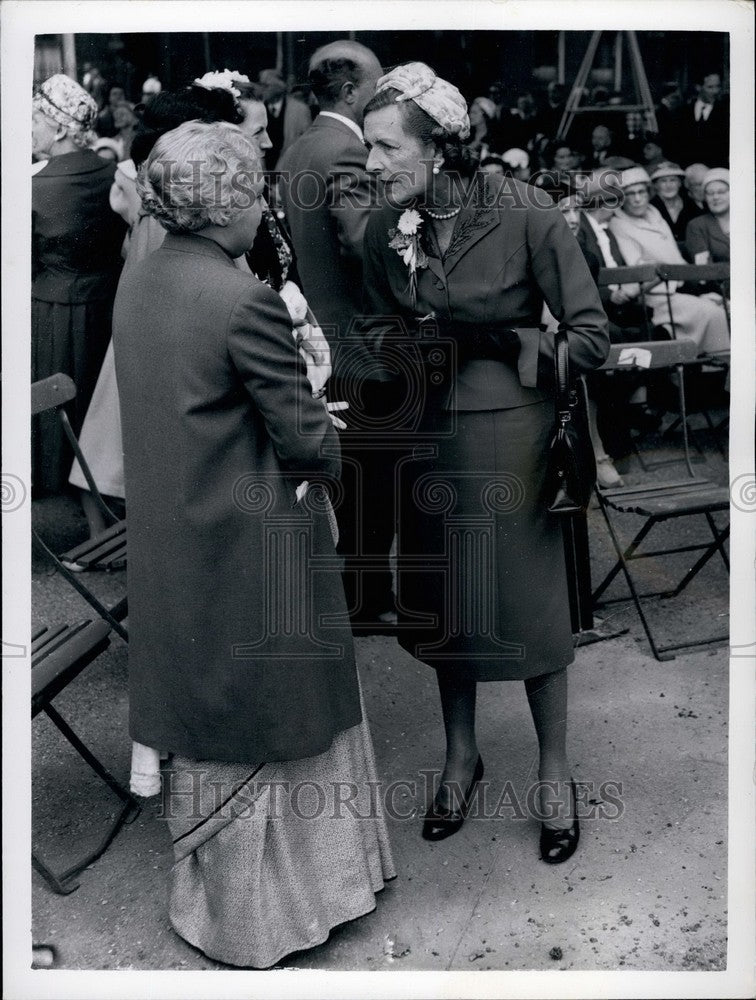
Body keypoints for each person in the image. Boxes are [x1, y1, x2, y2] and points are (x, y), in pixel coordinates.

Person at [114, 121, 394, 967]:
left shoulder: (142, 280)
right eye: (260, 193)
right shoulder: (242, 298)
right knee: (275, 711)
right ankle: (285, 911)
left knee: (208, 705)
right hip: (250, 536)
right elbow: (307, 444)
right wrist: (321, 415)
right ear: (230, 203)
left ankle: (220, 905)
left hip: (172, 528)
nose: (268, 207)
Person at [361, 63, 610, 861]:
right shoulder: (381, 228)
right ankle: (460, 757)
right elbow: (376, 330)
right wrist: (394, 352)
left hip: (515, 440)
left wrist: (507, 342)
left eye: (384, 146)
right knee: (445, 607)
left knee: (528, 613)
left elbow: (592, 338)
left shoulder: (529, 213)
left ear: (438, 149)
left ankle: (555, 771)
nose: (370, 164)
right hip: (427, 437)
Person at [278, 40, 401, 632]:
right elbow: (362, 240)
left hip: (318, 334)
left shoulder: (298, 148)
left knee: (349, 474)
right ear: (351, 91)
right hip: (359, 337)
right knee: (372, 479)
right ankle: (367, 601)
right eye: (377, 84)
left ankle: (353, 596)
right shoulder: (349, 151)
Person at [32, 73, 127, 495]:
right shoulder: (113, 172)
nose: (30, 128)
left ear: (60, 129)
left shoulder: (36, 185)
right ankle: (96, 486)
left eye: (36, 118)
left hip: (55, 305)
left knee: (59, 398)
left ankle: (59, 484)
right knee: (99, 401)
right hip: (108, 303)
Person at [609, 166, 729, 352]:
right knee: (713, 314)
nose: (637, 199)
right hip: (655, 294)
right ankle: (717, 361)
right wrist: (681, 284)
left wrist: (696, 289)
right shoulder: (619, 224)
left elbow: (677, 259)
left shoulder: (656, 216)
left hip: (678, 286)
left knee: (723, 306)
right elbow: (637, 267)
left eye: (641, 191)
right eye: (630, 194)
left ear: (649, 193)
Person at [258, 68, 312, 172]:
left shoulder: (300, 110)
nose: (262, 89)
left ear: (279, 87)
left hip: (289, 173)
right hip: (261, 174)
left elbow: (306, 145)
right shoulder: (257, 108)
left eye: (266, 85)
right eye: (261, 85)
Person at [674, 72, 729, 167]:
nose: (715, 91)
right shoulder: (682, 111)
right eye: (710, 87)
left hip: (716, 172)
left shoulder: (727, 111)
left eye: (718, 86)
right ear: (698, 87)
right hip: (687, 170)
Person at [649, 160, 702, 249]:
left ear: (680, 183)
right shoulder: (649, 208)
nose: (668, 185)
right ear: (655, 185)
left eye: (673, 180)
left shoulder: (692, 205)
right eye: (663, 181)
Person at [684, 167, 730, 265]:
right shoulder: (696, 226)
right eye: (710, 193)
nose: (715, 197)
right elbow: (705, 269)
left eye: (721, 192)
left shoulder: (748, 221)